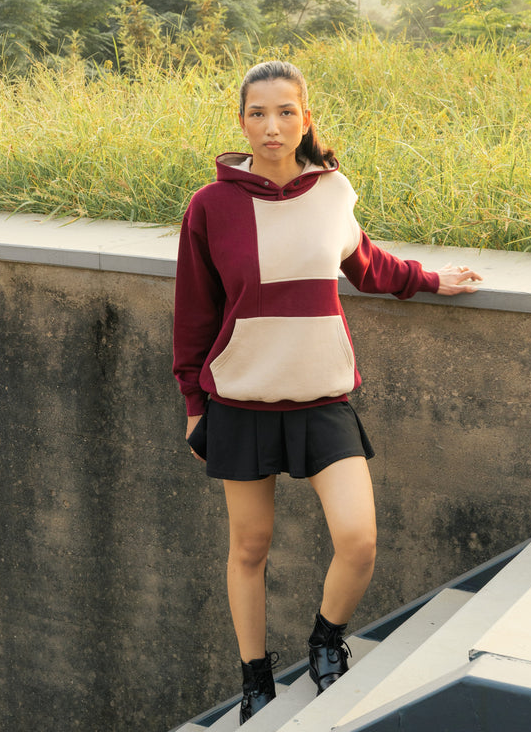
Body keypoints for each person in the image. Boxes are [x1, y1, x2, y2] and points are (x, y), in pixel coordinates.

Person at [172, 60, 481, 724]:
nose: (272, 125)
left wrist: (430, 280)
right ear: (242, 121)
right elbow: (193, 316)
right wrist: (195, 407)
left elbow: (366, 263)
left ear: (305, 118)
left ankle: (325, 640)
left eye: (286, 112)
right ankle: (257, 680)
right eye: (258, 113)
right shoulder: (210, 206)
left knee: (359, 539)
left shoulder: (332, 191)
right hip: (241, 401)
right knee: (250, 548)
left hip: (322, 398)